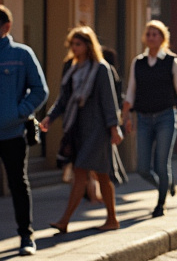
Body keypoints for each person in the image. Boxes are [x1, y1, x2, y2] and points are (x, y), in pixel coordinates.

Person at [40, 26, 125, 233]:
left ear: (88, 46)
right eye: (72, 45)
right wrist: (50, 117)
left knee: (81, 171)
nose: (74, 48)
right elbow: (63, 98)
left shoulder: (101, 68)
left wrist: (114, 128)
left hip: (98, 128)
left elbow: (109, 101)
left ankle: (65, 220)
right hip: (77, 127)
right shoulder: (72, 68)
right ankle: (111, 218)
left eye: (78, 44)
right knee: (101, 175)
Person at [122, 20, 177, 218]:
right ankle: (166, 184)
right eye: (148, 34)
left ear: (163, 38)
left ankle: (160, 203)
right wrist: (126, 116)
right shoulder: (138, 62)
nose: (151, 37)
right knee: (143, 168)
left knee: (161, 163)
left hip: (165, 116)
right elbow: (131, 92)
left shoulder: (171, 61)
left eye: (155, 34)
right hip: (144, 118)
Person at [0, 5, 48, 255]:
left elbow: (41, 90)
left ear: (5, 27)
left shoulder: (21, 54)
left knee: (18, 184)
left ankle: (26, 237)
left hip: (12, 134)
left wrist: (20, 112)